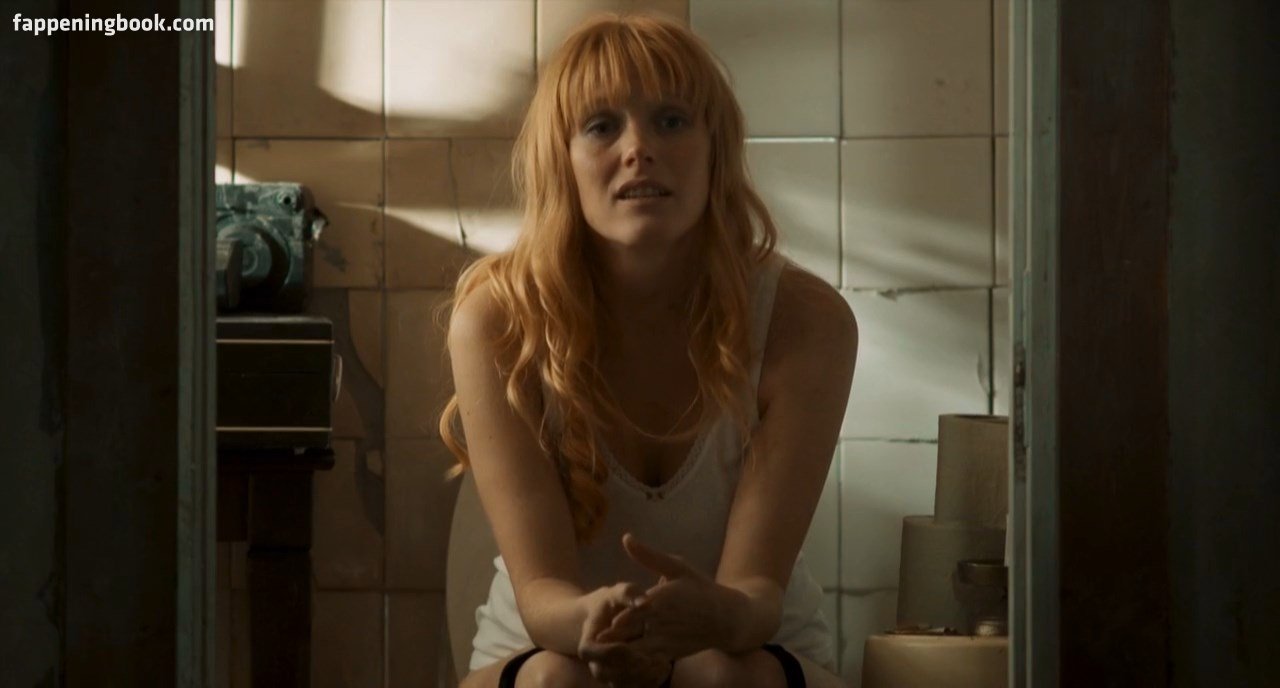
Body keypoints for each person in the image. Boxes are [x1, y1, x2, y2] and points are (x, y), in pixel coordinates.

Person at [439, 12, 857, 688]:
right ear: (561, 159)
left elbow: (755, 595)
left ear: (716, 149)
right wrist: (591, 622)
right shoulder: (498, 321)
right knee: (557, 683)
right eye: (601, 126)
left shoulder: (805, 322)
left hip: (750, 648)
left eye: (670, 120)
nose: (638, 148)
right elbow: (541, 594)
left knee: (718, 677)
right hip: (545, 648)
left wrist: (716, 617)